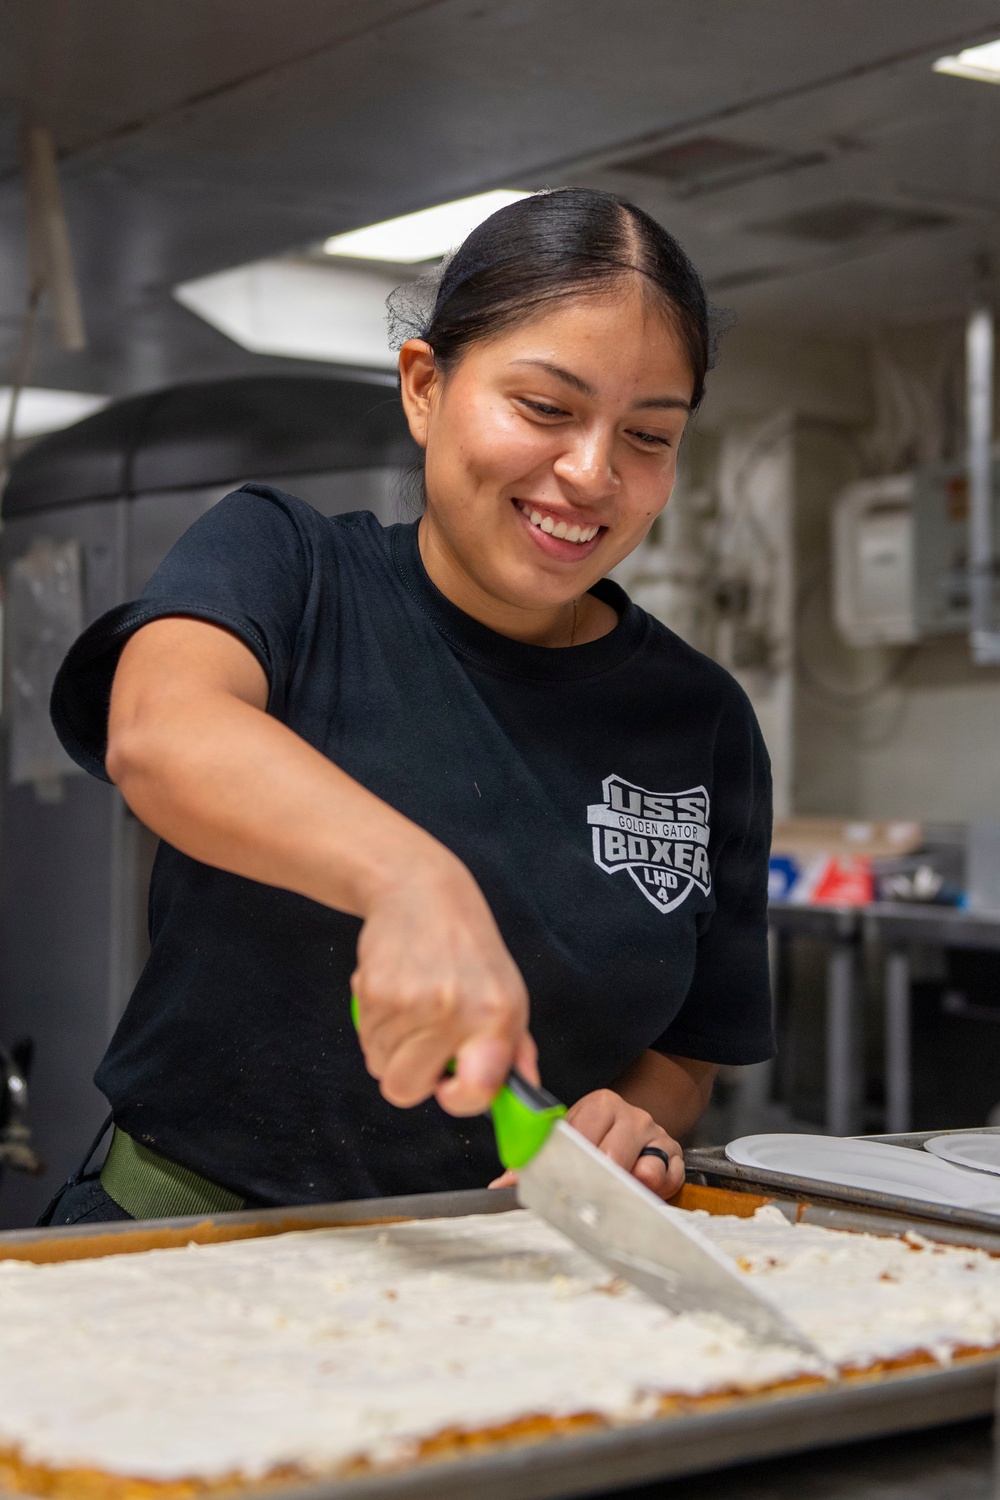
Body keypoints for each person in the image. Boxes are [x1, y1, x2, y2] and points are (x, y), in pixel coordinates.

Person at [46, 188, 774, 1226]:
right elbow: (159, 732)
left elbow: (691, 1048)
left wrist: (631, 1121)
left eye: (648, 435)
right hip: (183, 1243)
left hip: (511, 1281)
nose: (591, 472)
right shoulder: (289, 565)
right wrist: (412, 880)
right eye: (545, 408)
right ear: (426, 387)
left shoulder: (700, 719)